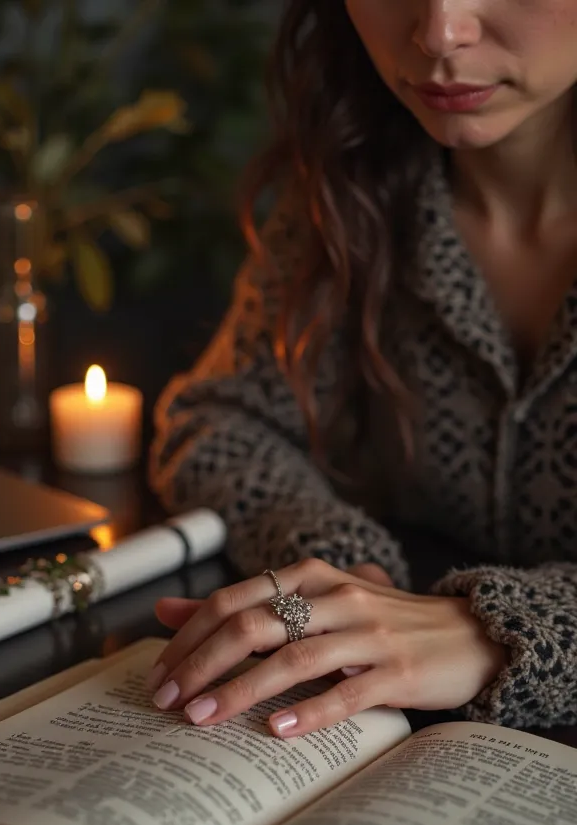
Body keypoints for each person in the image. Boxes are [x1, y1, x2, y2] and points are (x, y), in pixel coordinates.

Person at [148, 1, 577, 740]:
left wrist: (503, 633)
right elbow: (218, 421)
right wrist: (345, 578)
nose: (440, 32)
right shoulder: (357, 175)